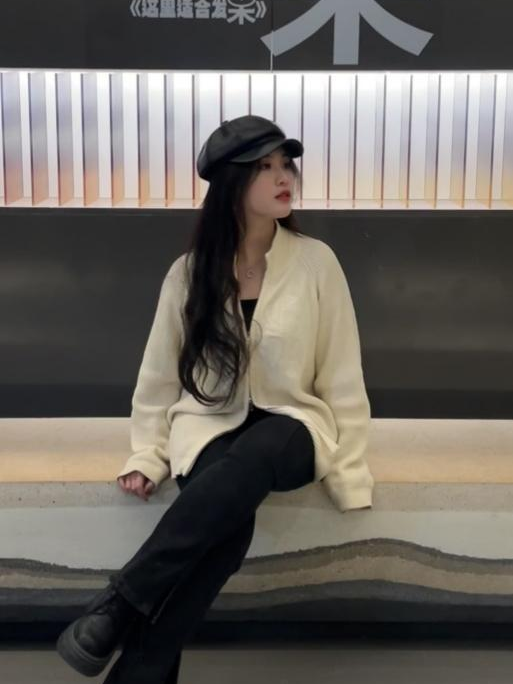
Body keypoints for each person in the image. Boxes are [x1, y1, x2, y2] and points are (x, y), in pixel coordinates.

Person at [56, 114, 374, 682]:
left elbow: (342, 374)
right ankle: (139, 671)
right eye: (265, 167)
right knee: (226, 534)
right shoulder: (189, 273)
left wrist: (350, 474)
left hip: (293, 427)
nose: (284, 177)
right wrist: (148, 454)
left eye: (286, 164)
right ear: (232, 181)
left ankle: (121, 602)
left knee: (258, 451)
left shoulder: (317, 262)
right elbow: (159, 377)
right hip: (209, 426)